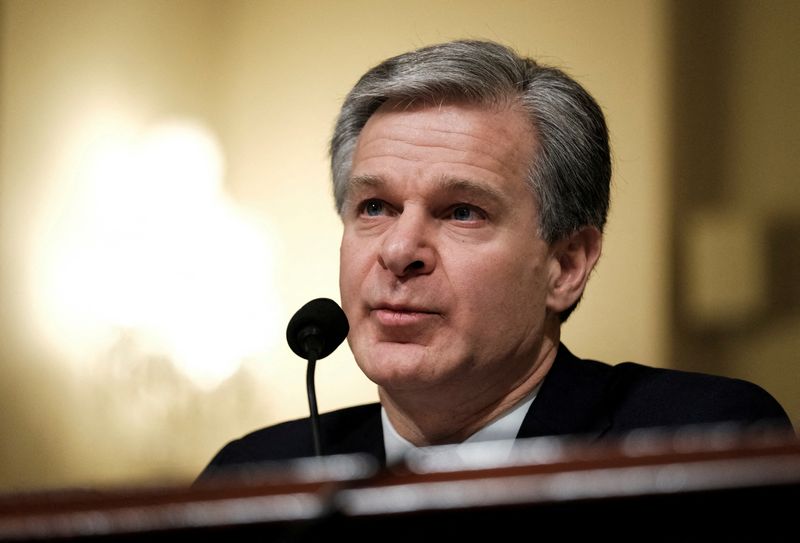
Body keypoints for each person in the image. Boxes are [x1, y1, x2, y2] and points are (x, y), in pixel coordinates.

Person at [195, 39, 792, 481]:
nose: (400, 251)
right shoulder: (256, 473)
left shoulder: (694, 441)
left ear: (566, 265)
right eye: (375, 206)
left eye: (462, 212)